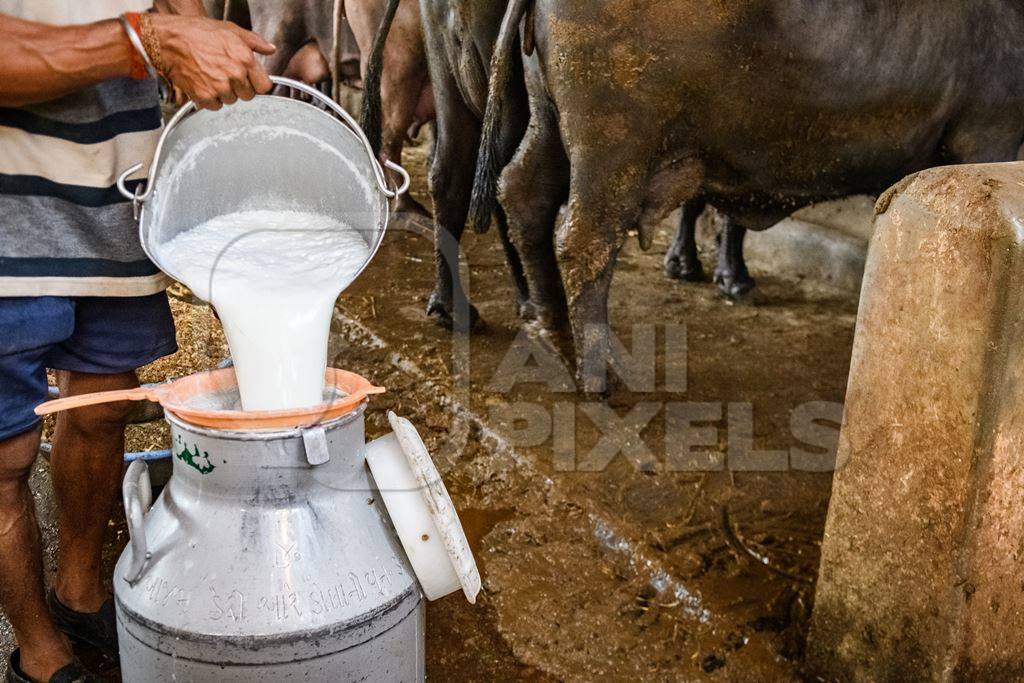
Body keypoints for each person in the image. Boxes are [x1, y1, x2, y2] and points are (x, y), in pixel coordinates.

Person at [0, 2, 275, 681]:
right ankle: (38, 651)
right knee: (5, 456)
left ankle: (80, 591)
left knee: (102, 411)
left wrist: (189, 28)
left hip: (119, 195)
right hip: (8, 214)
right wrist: (150, 40)